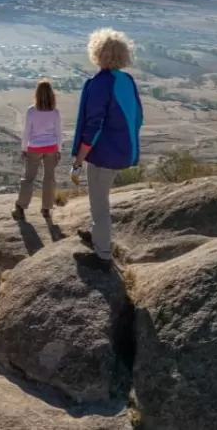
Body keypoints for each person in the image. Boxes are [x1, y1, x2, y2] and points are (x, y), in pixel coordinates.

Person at [71, 28, 144, 271]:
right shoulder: (127, 80)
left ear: (97, 53)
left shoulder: (99, 84)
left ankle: (102, 255)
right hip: (125, 151)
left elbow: (94, 126)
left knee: (99, 205)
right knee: (100, 201)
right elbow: (138, 117)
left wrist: (79, 159)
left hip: (104, 155)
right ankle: (98, 236)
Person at [12, 81, 62, 222]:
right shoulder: (55, 113)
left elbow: (27, 131)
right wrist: (59, 149)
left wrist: (24, 148)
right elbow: (59, 133)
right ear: (52, 95)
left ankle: (20, 207)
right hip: (51, 147)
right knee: (49, 178)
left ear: (37, 94)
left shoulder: (31, 111)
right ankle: (46, 208)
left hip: (34, 148)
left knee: (29, 178)